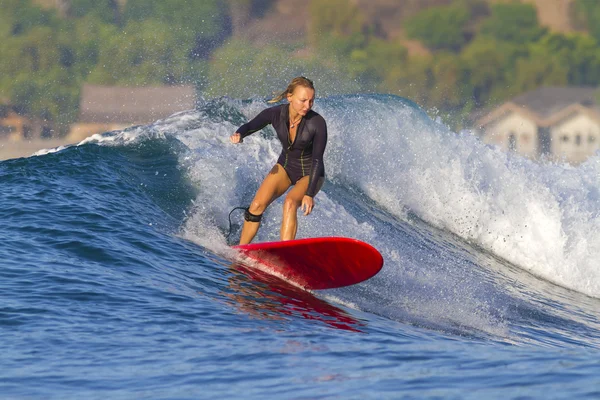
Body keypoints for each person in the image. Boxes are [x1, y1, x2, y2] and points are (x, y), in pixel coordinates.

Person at [230, 76, 327, 245]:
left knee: (290, 202)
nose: (307, 105)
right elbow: (251, 126)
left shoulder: (317, 122)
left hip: (311, 173)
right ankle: (241, 249)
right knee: (256, 206)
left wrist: (309, 194)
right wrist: (239, 134)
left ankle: (285, 251)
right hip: (286, 167)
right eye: (303, 100)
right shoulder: (275, 114)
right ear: (290, 97)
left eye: (311, 101)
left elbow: (318, 159)